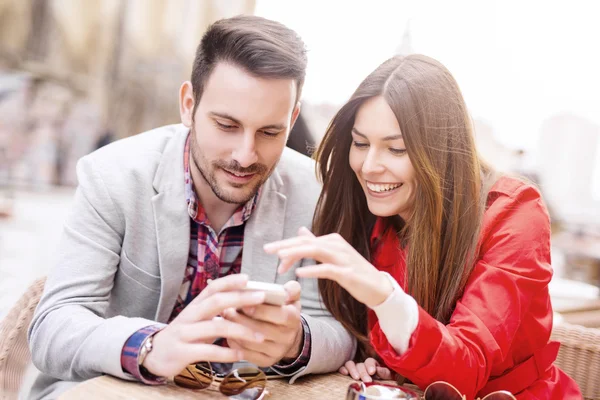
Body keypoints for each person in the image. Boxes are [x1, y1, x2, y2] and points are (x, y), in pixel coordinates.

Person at [27, 15, 354, 400]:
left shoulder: (317, 194)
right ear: (188, 104)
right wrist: (149, 346)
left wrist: (296, 341)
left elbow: (339, 332)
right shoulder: (111, 175)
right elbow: (52, 326)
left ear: (292, 118)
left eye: (269, 132)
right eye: (226, 125)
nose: (245, 155)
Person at [265, 54, 582, 399]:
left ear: (441, 150)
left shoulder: (514, 212)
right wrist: (369, 360)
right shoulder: (368, 210)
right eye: (360, 143)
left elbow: (466, 366)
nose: (370, 166)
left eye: (396, 149)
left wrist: (384, 296)